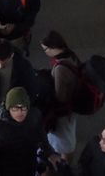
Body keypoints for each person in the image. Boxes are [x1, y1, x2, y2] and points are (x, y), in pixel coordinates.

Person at [40, 30, 83, 161]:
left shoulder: (60, 69)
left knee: (65, 142)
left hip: (64, 111)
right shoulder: (70, 55)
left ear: (53, 47)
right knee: (68, 134)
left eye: (45, 49)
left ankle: (65, 164)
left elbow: (60, 97)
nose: (45, 52)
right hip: (73, 105)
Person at [0, 86, 42, 176]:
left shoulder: (32, 119)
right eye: (15, 108)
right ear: (8, 108)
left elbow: (39, 140)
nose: (20, 112)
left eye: (23, 108)